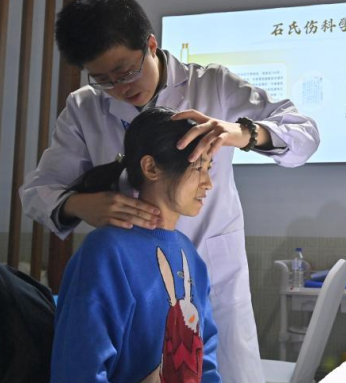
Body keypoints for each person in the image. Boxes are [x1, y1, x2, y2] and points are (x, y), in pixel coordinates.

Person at [20, 0, 319, 383]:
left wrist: (245, 133)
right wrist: (82, 205)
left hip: (208, 268)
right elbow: (38, 192)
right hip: (135, 278)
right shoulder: (84, 108)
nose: (120, 87)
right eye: (103, 79)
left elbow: (305, 134)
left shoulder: (213, 85)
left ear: (150, 45)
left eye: (126, 71)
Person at [51, 107, 221, 382]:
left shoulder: (190, 255)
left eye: (209, 167)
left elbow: (205, 360)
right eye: (198, 167)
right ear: (151, 168)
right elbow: (79, 367)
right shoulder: (106, 252)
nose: (208, 183)